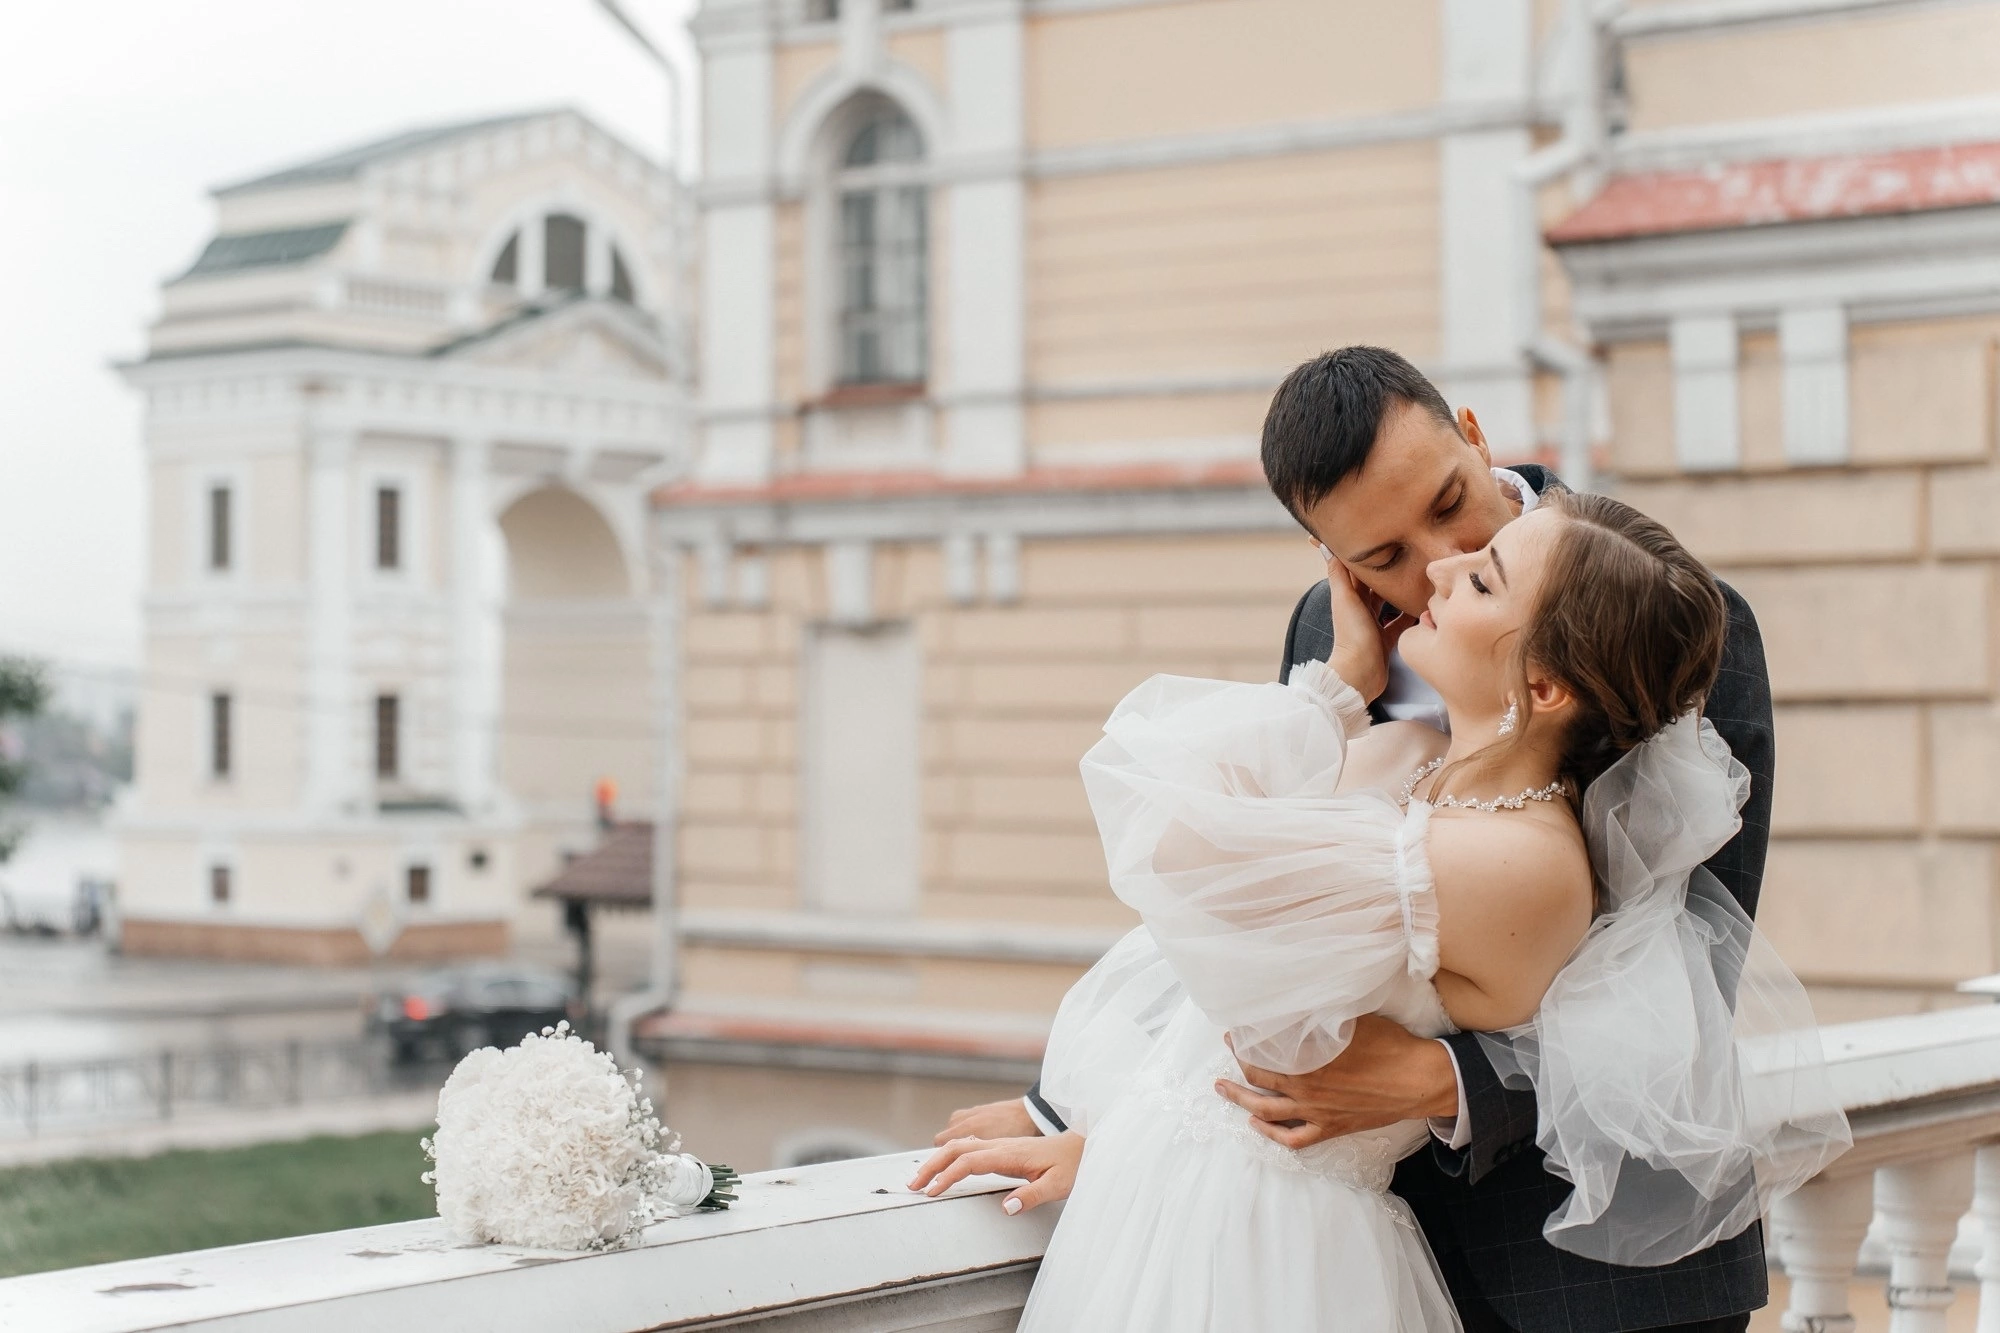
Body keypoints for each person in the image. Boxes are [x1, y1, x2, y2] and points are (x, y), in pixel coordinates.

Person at [917, 348, 1814, 1333]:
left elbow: (1692, 966)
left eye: (1447, 502)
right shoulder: (1327, 628)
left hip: (1594, 1277)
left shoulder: (1678, 618)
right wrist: (1109, 1131)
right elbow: (1269, 927)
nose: (1433, 565)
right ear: (1327, 553)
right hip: (1349, 1247)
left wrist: (1450, 1083)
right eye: (1379, 556)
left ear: (1472, 436)